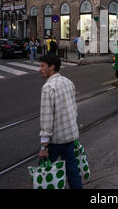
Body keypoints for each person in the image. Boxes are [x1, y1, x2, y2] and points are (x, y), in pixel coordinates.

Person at [38, 54, 82, 189]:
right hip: (70, 135)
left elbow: (47, 117)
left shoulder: (48, 87)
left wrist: (43, 146)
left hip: (57, 139)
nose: (39, 69)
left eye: (42, 66)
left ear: (51, 67)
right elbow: (74, 108)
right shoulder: (68, 82)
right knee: (72, 170)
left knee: (43, 171)